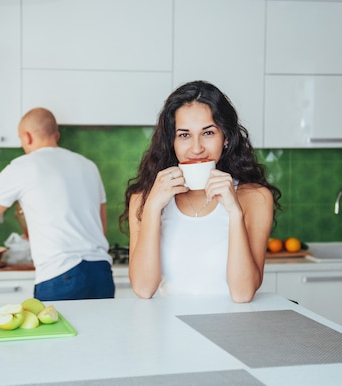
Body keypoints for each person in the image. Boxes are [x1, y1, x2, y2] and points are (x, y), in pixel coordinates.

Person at [119, 81, 281, 303]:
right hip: (169, 330)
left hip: (231, 331)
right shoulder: (144, 199)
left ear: (225, 138)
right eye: (184, 135)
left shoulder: (256, 198)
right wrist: (153, 207)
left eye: (208, 133)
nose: (196, 148)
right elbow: (144, 288)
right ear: (172, 142)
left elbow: (243, 294)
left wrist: (234, 212)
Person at [0, 107, 115, 301]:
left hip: (61, 274)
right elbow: (100, 226)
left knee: (56, 332)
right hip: (101, 273)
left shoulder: (22, 167)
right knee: (99, 332)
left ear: (27, 137)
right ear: (57, 135)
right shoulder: (88, 166)